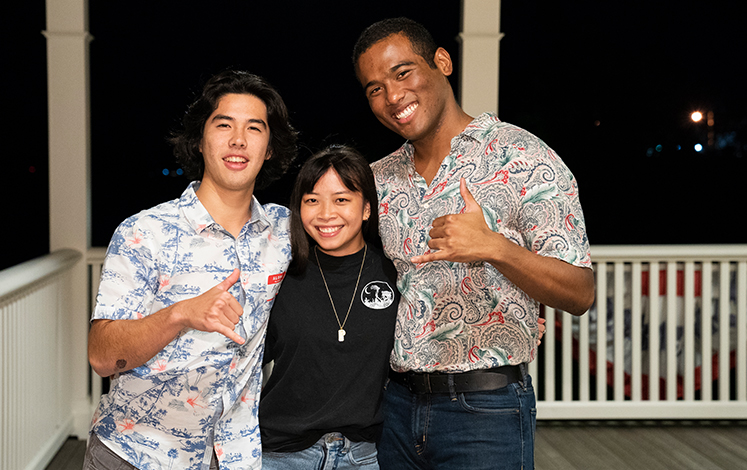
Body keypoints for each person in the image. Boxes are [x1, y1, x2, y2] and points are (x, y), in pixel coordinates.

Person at [352, 17, 595, 470]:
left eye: (403, 73)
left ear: (442, 62)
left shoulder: (523, 157)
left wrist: (495, 248)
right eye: (375, 89)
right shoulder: (376, 179)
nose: (393, 96)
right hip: (391, 410)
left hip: (485, 412)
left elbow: (580, 293)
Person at [83, 70, 298, 470]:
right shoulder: (144, 232)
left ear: (269, 148)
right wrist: (180, 314)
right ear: (200, 140)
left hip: (233, 456)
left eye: (254, 128)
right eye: (224, 125)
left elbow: (350, 218)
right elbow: (101, 355)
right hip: (136, 453)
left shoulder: (285, 232)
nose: (238, 140)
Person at [259, 145, 399, 470]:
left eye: (341, 199)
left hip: (364, 456)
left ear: (366, 208)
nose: (325, 214)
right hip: (281, 455)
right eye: (312, 200)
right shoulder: (280, 274)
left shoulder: (394, 273)